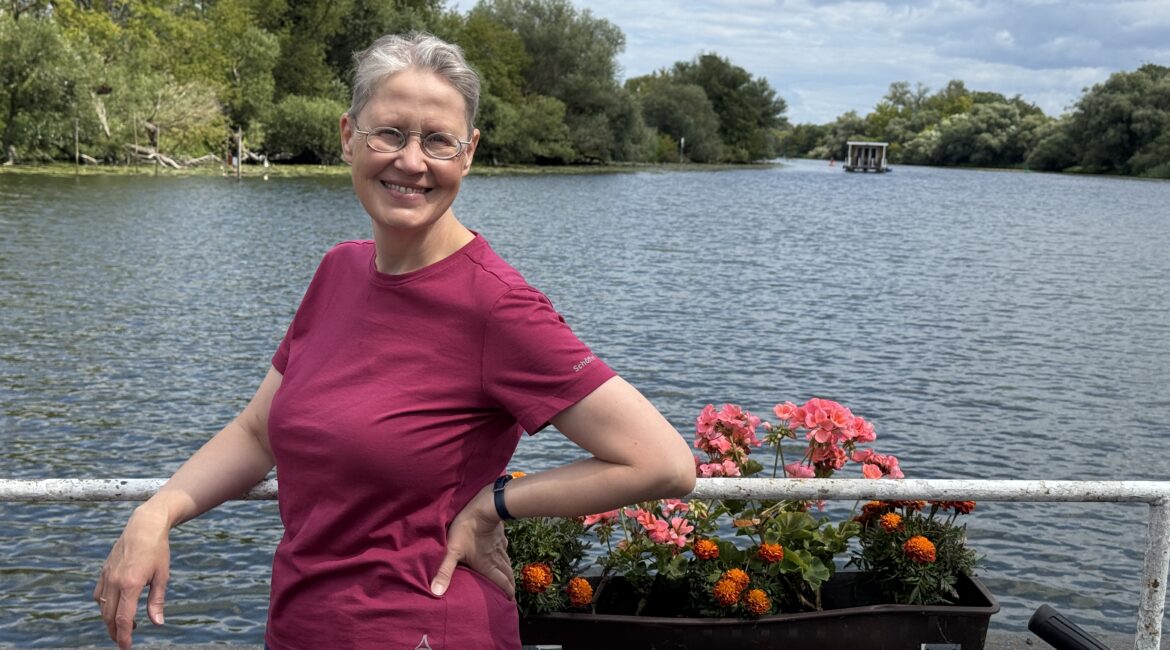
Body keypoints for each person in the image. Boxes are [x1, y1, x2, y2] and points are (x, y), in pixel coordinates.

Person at [92, 31, 696, 650]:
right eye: (390, 133)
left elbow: (662, 462)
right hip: (301, 627)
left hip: (425, 628)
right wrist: (158, 511)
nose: (411, 161)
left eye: (438, 140)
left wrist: (496, 505)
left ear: (469, 153)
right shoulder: (338, 271)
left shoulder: (497, 305)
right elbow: (256, 431)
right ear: (349, 136)